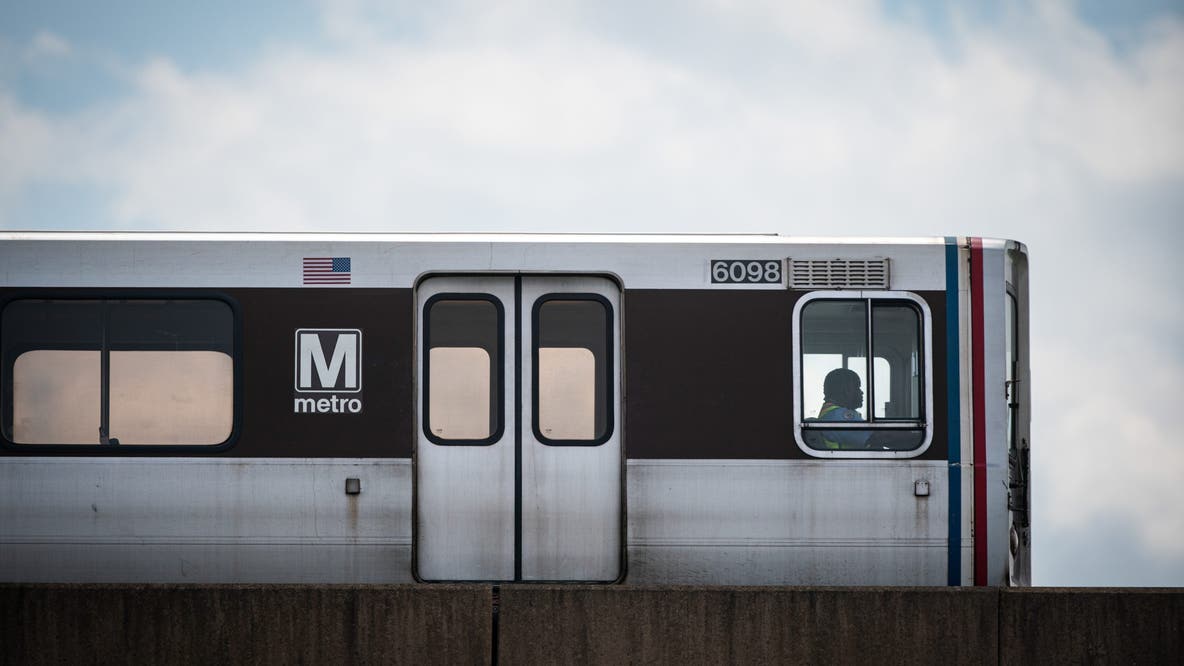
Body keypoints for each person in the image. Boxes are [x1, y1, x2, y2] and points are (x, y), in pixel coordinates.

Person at [815, 368, 869, 450]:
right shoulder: (838, 416)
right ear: (845, 390)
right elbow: (875, 437)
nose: (861, 392)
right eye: (857, 387)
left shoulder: (831, 414)